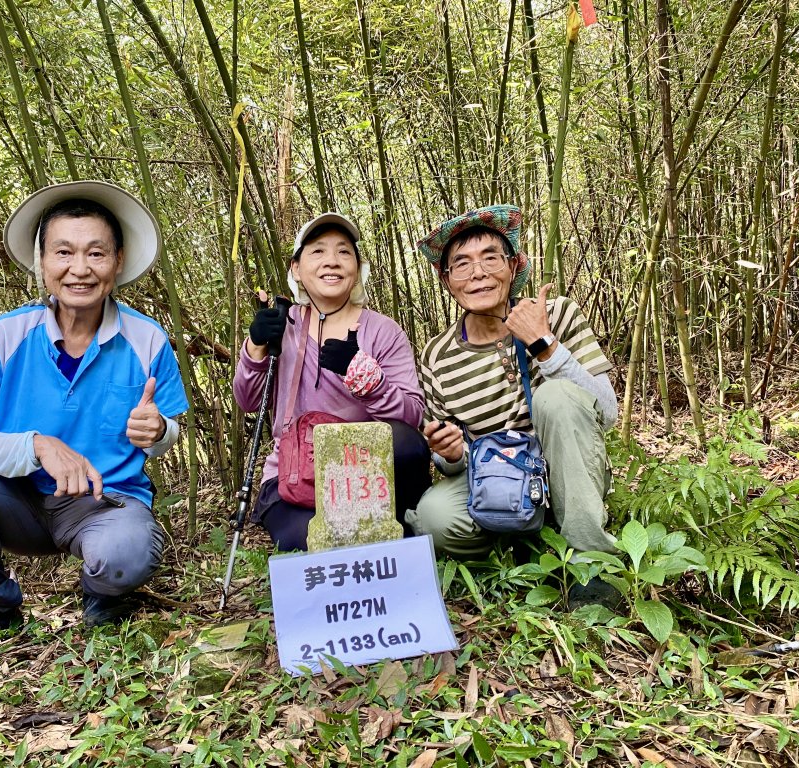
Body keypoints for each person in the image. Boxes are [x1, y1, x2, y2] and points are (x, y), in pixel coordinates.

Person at [0, 181, 188, 656]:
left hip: (104, 503)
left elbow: (166, 434)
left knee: (126, 553)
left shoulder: (147, 339)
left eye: (96, 254)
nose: (79, 269)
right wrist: (36, 444)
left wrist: (160, 431)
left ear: (118, 261)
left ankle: (102, 596)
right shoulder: (4, 335)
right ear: (42, 263)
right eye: (63, 252)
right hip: (13, 499)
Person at [408, 205, 620, 609]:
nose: (479, 272)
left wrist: (543, 344)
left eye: (491, 257)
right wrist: (450, 453)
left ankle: (591, 563)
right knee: (433, 516)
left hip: (566, 468)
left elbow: (605, 412)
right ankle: (519, 541)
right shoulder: (436, 355)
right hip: (499, 483)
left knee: (555, 396)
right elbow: (454, 461)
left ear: (514, 265)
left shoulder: (557, 314)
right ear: (447, 280)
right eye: (462, 264)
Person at [233, 213, 430, 550]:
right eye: (318, 252)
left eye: (343, 252)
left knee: (409, 445)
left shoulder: (382, 331)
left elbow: (411, 418)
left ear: (358, 268)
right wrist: (256, 346)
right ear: (296, 268)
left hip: (367, 473)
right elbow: (249, 401)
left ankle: (382, 525)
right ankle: (379, 531)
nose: (332, 262)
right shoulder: (282, 325)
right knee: (309, 540)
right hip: (295, 473)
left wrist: (364, 377)